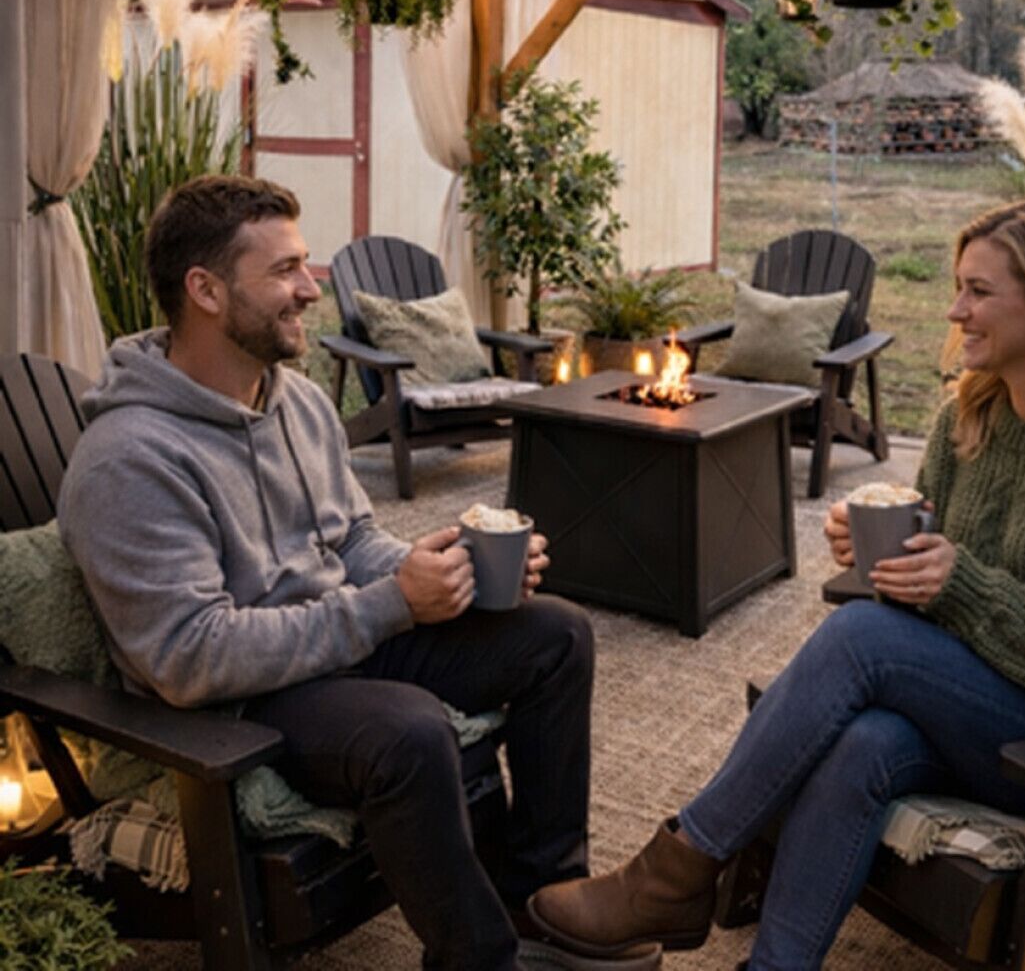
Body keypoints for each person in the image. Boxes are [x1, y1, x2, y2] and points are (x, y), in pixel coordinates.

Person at [527, 196, 1025, 970]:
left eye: (980, 291)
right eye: (959, 287)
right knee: (866, 742)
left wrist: (958, 585)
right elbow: (928, 607)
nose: (956, 310)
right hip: (984, 709)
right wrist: (878, 561)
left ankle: (676, 872)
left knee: (861, 639)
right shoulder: (970, 418)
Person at [58, 174, 612, 971]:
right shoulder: (129, 459)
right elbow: (189, 657)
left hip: (337, 636)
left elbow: (350, 537)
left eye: (305, 265)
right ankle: (482, 959)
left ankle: (544, 902)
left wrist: (445, 569)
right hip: (241, 697)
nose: (311, 289)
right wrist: (390, 605)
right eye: (284, 270)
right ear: (205, 290)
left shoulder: (299, 402)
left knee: (557, 634)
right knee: (410, 731)